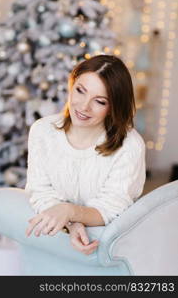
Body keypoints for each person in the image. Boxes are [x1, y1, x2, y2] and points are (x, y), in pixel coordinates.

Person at [25, 54, 146, 255]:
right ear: (71, 84)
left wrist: (69, 212)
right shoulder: (42, 131)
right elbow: (40, 191)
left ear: (113, 107)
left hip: (104, 249)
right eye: (80, 91)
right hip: (50, 243)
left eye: (99, 101)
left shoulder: (130, 145)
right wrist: (70, 224)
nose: (83, 106)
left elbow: (111, 209)